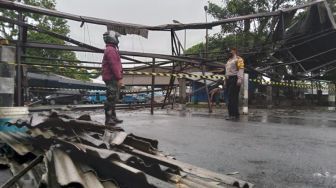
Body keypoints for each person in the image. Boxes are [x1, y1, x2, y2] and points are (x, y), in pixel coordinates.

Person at [102, 30, 123, 126]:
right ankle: (108, 118)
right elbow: (114, 65)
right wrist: (119, 77)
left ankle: (113, 117)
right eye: (117, 37)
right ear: (112, 38)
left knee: (114, 98)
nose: (118, 39)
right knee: (111, 98)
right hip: (111, 78)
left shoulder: (112, 49)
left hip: (112, 77)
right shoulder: (111, 50)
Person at [225, 48, 244, 120]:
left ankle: (232, 115)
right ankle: (235, 114)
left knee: (232, 97)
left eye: (230, 51)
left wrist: (240, 78)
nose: (229, 53)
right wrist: (225, 80)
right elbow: (227, 71)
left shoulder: (239, 59)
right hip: (228, 79)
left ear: (234, 51)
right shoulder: (229, 60)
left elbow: (241, 69)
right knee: (231, 97)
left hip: (235, 78)